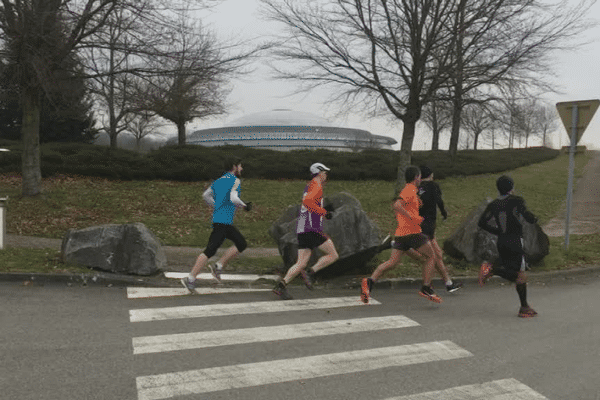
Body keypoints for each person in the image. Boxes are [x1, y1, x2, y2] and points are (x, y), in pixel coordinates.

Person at [360, 166, 443, 304]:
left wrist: (417, 205)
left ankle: (368, 282)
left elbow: (408, 204)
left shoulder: (411, 191)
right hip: (412, 232)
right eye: (419, 176)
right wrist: (411, 217)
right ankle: (426, 288)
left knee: (392, 263)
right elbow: (397, 205)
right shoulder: (409, 189)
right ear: (416, 177)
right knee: (431, 256)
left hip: (401, 234)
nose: (420, 179)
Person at [181, 157, 252, 292]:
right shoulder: (235, 180)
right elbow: (233, 198)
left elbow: (206, 196)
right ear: (234, 166)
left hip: (222, 221)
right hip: (223, 222)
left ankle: (218, 266)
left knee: (241, 243)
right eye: (240, 166)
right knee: (210, 250)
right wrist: (244, 206)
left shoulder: (218, 181)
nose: (242, 168)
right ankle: (190, 278)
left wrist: (217, 205)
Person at [273, 163, 339, 300]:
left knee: (301, 263)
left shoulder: (310, 185)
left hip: (302, 229)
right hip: (311, 228)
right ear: (319, 172)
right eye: (325, 172)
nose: (326, 175)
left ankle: (281, 285)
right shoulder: (316, 185)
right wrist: (324, 213)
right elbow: (308, 202)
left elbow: (310, 202)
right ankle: (310, 272)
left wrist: (323, 209)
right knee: (333, 255)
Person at [477, 175, 538, 318]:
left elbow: (482, 222)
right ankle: (492, 270)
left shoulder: (494, 204)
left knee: (516, 274)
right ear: (512, 187)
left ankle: (524, 306)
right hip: (515, 242)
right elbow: (527, 216)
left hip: (502, 241)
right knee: (520, 275)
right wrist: (534, 219)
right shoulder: (517, 201)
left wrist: (497, 231)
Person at [418, 166, 462, 293]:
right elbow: (439, 201)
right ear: (431, 175)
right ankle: (429, 285)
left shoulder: (417, 188)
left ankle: (448, 282)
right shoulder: (433, 186)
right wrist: (444, 213)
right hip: (428, 225)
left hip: (420, 224)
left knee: (437, 254)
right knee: (433, 255)